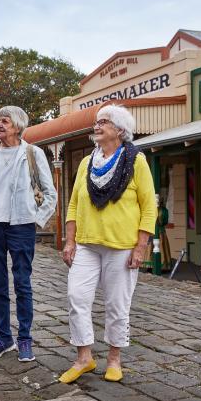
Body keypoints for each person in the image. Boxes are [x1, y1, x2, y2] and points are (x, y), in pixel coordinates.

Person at [59, 104, 156, 384]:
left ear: (120, 129)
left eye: (104, 122)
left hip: (122, 246)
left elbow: (149, 207)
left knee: (116, 305)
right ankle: (84, 358)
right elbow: (74, 203)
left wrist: (140, 247)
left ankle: (114, 359)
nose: (97, 126)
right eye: (96, 122)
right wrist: (69, 240)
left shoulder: (136, 161)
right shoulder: (85, 163)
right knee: (76, 298)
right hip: (87, 244)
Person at [0, 106, 57, 362]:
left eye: (5, 121)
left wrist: (35, 218)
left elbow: (50, 193)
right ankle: (3, 337)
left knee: (22, 283)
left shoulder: (33, 153)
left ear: (17, 126)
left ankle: (25, 339)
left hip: (21, 226)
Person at [142, 200, 172, 272]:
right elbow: (165, 221)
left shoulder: (149, 208)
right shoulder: (164, 210)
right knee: (161, 247)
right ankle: (163, 265)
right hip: (160, 231)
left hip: (152, 230)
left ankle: (150, 265)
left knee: (151, 247)